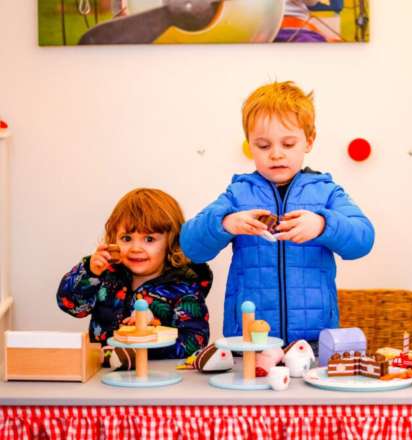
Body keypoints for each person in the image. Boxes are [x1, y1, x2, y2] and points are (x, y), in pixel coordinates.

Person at [180, 81, 374, 346]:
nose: (276, 154)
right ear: (249, 144)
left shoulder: (326, 192)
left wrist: (323, 225)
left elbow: (363, 240)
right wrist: (225, 223)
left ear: (309, 140)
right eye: (263, 145)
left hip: (315, 342)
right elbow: (192, 247)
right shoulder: (238, 194)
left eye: (288, 143)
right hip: (249, 341)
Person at [57, 188, 212, 359]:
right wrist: (90, 273)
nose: (136, 248)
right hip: (102, 375)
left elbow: (195, 341)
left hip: (158, 377)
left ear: (171, 241)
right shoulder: (105, 274)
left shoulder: (183, 288)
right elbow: (71, 305)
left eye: (149, 239)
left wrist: (147, 337)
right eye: (126, 238)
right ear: (113, 238)